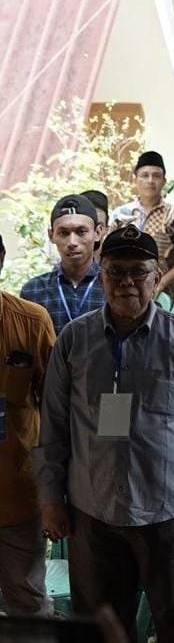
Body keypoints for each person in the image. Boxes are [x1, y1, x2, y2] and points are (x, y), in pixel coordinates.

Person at [34, 226, 174, 643]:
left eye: (138, 272)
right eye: (116, 272)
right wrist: (52, 499)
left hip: (172, 511)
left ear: (157, 276)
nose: (127, 282)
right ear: (101, 274)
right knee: (101, 633)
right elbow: (52, 425)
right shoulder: (74, 340)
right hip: (94, 511)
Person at [0, 257, 56, 617]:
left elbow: (58, 410)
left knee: (28, 602)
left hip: (16, 493)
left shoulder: (31, 321)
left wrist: (56, 491)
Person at [108, 151, 174, 302]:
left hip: (163, 296)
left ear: (164, 180)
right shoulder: (120, 216)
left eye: (156, 176)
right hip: (123, 290)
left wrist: (160, 284)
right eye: (145, 175)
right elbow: (107, 255)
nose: (150, 180)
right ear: (135, 179)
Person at [21, 195, 106, 334]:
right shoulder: (33, 290)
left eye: (81, 232)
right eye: (64, 233)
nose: (72, 242)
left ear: (97, 233)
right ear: (51, 235)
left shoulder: (113, 287)